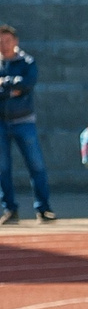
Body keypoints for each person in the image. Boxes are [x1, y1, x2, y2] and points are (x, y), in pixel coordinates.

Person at [0, 25, 54, 223]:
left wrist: (4, 84)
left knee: (36, 165)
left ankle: (43, 208)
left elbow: (27, 83)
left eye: (7, 41)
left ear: (15, 41)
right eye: (0, 42)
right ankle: (10, 210)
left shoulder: (27, 61)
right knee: (3, 168)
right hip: (1, 123)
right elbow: (17, 87)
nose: (3, 45)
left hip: (24, 120)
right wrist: (12, 88)